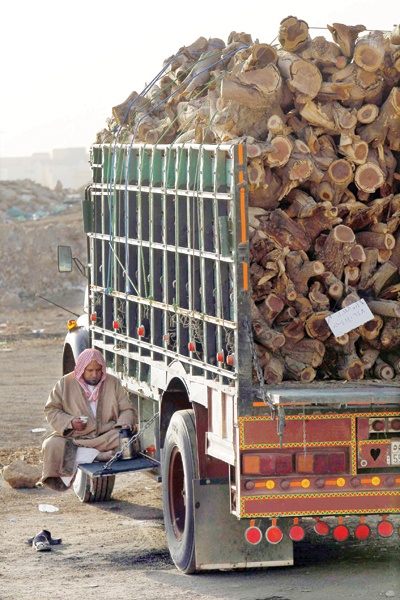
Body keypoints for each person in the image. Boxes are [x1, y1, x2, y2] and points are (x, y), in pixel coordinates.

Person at [40, 348, 137, 491]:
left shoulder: (113, 383)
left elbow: (126, 409)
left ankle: (92, 455)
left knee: (130, 442)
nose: (95, 374)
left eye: (98, 370)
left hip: (105, 436)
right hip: (76, 437)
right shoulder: (65, 383)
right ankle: (98, 456)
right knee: (51, 444)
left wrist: (124, 424)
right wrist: (70, 422)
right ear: (81, 369)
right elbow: (51, 409)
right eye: (90, 370)